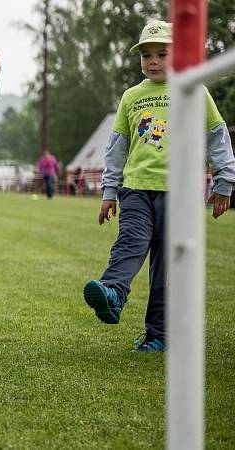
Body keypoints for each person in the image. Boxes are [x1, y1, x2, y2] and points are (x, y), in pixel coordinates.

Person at [83, 21, 234, 353]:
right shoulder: (131, 97)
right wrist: (110, 191)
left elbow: (216, 138)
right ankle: (112, 293)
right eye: (146, 55)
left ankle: (158, 335)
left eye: (161, 54)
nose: (152, 61)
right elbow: (117, 148)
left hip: (180, 193)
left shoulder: (194, 90)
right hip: (135, 189)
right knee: (130, 242)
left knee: (166, 268)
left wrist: (225, 182)